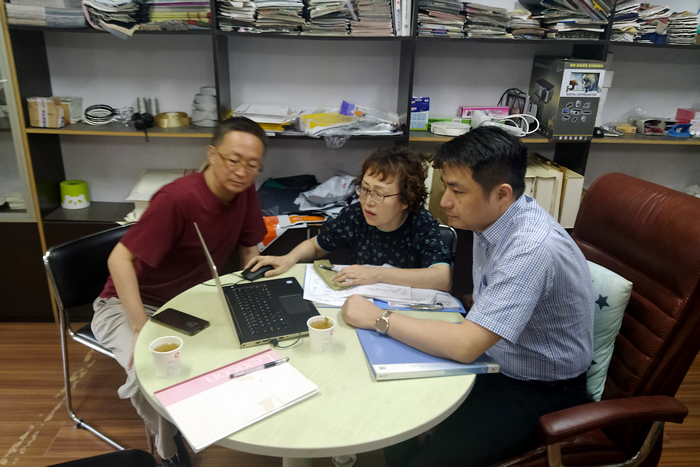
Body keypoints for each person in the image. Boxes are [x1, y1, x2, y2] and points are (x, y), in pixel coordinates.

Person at [341, 127, 595, 467]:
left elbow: (465, 346)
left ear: (502, 193)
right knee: (393, 406)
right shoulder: (492, 219)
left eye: (457, 191)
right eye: (446, 186)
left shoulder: (531, 247)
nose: (445, 201)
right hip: (496, 359)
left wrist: (378, 317)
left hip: (540, 387)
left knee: (425, 455)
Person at [91, 117, 268, 467]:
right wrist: (139, 327)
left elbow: (249, 249)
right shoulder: (178, 199)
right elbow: (118, 259)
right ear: (212, 154)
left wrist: (254, 293)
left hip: (187, 303)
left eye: (252, 165)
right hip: (129, 304)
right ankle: (170, 450)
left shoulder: (243, 191)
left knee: (251, 343)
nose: (241, 172)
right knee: (151, 371)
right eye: (233, 160)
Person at [245, 146, 452, 292]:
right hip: (361, 305)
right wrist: (288, 259)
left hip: (407, 310)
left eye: (379, 194)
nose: (368, 202)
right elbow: (316, 246)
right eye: (365, 189)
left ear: (406, 198)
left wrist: (376, 274)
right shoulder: (355, 216)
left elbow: (442, 278)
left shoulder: (420, 223)